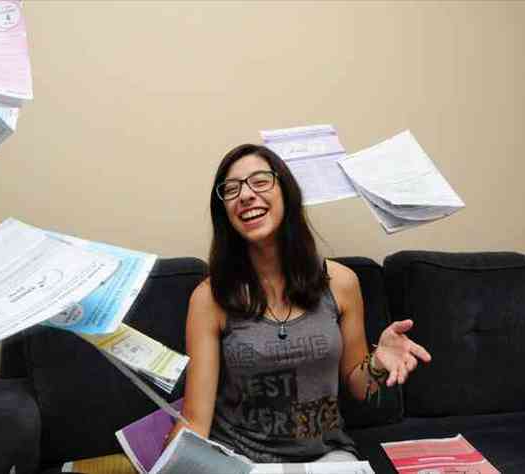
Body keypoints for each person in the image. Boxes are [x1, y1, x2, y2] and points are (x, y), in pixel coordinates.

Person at [166, 143, 432, 463]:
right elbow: (195, 420)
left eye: (260, 181)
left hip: (325, 458)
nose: (246, 195)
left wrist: (377, 362)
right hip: (241, 461)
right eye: (231, 189)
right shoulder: (211, 298)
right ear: (224, 212)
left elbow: (360, 388)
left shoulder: (342, 283)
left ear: (287, 193)